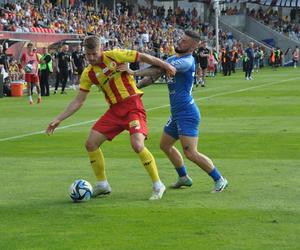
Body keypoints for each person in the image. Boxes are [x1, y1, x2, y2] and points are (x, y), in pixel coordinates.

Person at [46, 35, 176, 200]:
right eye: (88, 55)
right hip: (114, 111)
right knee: (91, 143)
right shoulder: (88, 74)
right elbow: (78, 100)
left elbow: (144, 57)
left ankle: (158, 184)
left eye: (94, 53)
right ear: (84, 52)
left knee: (137, 145)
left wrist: (166, 65)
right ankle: (102, 185)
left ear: (100, 49)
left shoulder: (115, 55)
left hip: (132, 105)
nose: (91, 58)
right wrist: (59, 119)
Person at [118, 30, 228, 193]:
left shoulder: (187, 62)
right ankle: (183, 177)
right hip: (177, 114)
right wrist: (135, 87)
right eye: (180, 40)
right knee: (165, 145)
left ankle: (220, 179)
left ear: (192, 46)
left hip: (187, 113)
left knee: (190, 152)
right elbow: (154, 76)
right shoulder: (172, 59)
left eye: (184, 41)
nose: (179, 42)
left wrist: (133, 72)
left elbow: (159, 70)